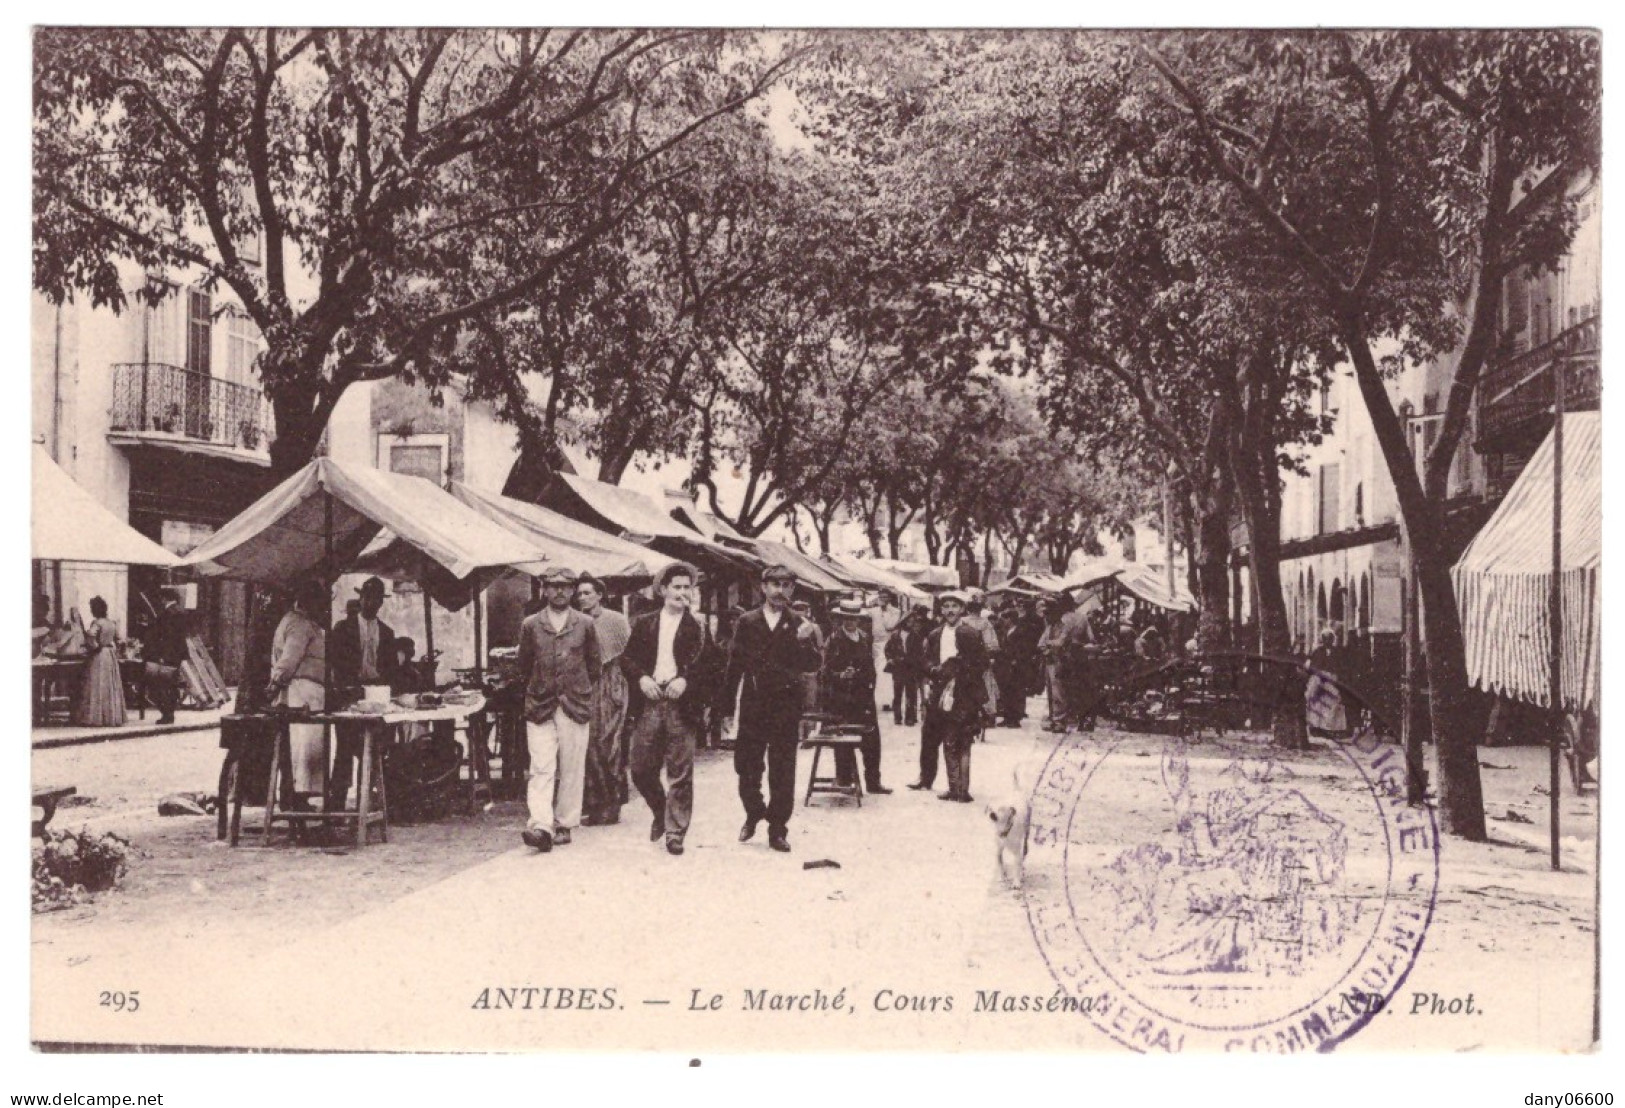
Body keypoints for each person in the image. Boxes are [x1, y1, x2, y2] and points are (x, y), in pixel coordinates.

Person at [718, 564, 822, 853]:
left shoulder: (800, 623)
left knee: (783, 770)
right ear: (763, 587)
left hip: (786, 707)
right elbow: (734, 666)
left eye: (787, 585)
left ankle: (777, 828)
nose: (780, 590)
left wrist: (804, 642)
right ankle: (754, 811)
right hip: (753, 704)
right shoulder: (748, 622)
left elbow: (813, 665)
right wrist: (726, 708)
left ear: (792, 589)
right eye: (775, 584)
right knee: (746, 767)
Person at [622, 563, 711, 855]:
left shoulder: (698, 625)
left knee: (680, 772)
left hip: (681, 707)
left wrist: (686, 680)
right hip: (649, 703)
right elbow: (628, 659)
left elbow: (710, 664)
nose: (682, 593)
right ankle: (661, 811)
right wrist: (642, 678)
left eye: (688, 587)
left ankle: (675, 833)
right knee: (640, 769)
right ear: (663, 590)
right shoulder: (644, 623)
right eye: (677, 587)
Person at [515, 567, 601, 853]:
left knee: (572, 766)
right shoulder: (531, 624)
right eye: (553, 586)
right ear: (544, 589)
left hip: (574, 704)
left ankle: (564, 823)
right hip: (540, 705)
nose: (560, 591)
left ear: (573, 589)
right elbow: (523, 666)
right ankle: (540, 825)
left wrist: (578, 690)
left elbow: (595, 666)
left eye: (565, 586)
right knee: (541, 766)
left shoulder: (585, 624)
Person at [909, 590, 988, 802]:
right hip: (938, 691)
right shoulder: (935, 634)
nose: (950, 610)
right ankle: (929, 779)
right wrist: (933, 670)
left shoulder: (970, 633)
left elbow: (981, 664)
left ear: (962, 609)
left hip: (962, 693)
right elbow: (924, 660)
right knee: (931, 735)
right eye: (946, 606)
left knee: (959, 739)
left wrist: (958, 670)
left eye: (954, 606)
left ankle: (961, 788)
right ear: (941, 610)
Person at [329, 576, 399, 807]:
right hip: (350, 695)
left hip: (376, 694)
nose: (371, 603)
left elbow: (391, 669)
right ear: (361, 599)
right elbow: (335, 662)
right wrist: (345, 687)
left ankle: (370, 800)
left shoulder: (387, 633)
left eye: (376, 599)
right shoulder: (343, 628)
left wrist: (385, 690)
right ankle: (338, 800)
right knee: (345, 749)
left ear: (381, 603)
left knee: (376, 748)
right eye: (367, 597)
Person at [577, 573, 633, 826]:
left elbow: (629, 654)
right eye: (579, 594)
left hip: (611, 686)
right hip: (586, 687)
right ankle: (595, 803)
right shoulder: (575, 621)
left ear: (600, 595)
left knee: (608, 744)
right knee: (588, 747)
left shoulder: (616, 620)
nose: (582, 597)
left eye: (587, 593)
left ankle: (612, 804)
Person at [266, 580, 329, 797]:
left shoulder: (302, 622)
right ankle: (298, 796)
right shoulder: (299, 625)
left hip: (308, 692)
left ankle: (298, 796)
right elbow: (289, 660)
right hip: (302, 693)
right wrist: (275, 684)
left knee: (305, 748)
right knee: (304, 748)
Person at [823, 596, 891, 795]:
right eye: (846, 619)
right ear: (841, 619)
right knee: (843, 741)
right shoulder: (834, 640)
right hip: (842, 699)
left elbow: (871, 668)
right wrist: (841, 675)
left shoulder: (864, 638)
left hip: (863, 697)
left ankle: (873, 782)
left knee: (872, 741)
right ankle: (844, 779)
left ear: (859, 620)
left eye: (853, 619)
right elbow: (825, 671)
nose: (850, 622)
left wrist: (867, 684)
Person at [72, 596, 127, 727]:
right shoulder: (111, 623)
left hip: (99, 655)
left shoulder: (96, 623)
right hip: (110, 655)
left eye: (92, 608)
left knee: (96, 684)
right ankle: (109, 717)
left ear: (95, 610)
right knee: (109, 686)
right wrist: (118, 651)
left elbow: (91, 636)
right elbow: (120, 640)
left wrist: (94, 647)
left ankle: (96, 717)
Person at [144, 587, 191, 724]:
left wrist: (160, 655)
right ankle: (169, 713)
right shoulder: (180, 611)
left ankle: (167, 714)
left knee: (160, 685)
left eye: (161, 598)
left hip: (166, 655)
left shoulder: (168, 613)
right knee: (170, 684)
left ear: (164, 598)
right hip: (177, 655)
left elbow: (166, 637)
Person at [885, 607, 928, 727]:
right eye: (909, 621)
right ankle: (897, 717)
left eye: (913, 621)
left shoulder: (916, 636)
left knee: (911, 694)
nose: (911, 623)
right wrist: (890, 659)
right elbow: (888, 649)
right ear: (904, 621)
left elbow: (920, 654)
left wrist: (917, 665)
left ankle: (910, 718)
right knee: (897, 693)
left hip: (911, 668)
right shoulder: (895, 635)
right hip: (898, 668)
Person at [1037, 597, 1071, 732]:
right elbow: (1040, 644)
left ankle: (1060, 720)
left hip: (1059, 661)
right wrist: (1048, 646)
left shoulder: (1064, 627)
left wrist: (1049, 644)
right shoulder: (1049, 628)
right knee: (1050, 692)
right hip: (1049, 661)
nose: (1046, 617)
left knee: (1058, 693)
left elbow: (1061, 643)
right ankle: (1053, 718)